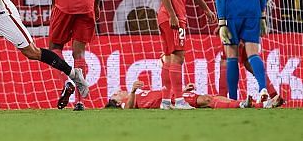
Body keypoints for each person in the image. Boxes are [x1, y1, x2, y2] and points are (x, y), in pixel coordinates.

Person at [105, 80, 256, 109]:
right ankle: (243, 104)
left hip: (171, 97)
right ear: (118, 103)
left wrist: (181, 90)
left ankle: (255, 104)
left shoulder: (136, 96)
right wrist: (132, 91)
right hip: (171, 102)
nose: (118, 92)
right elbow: (129, 108)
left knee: (210, 97)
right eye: (115, 95)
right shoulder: (127, 103)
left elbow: (158, 94)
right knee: (207, 100)